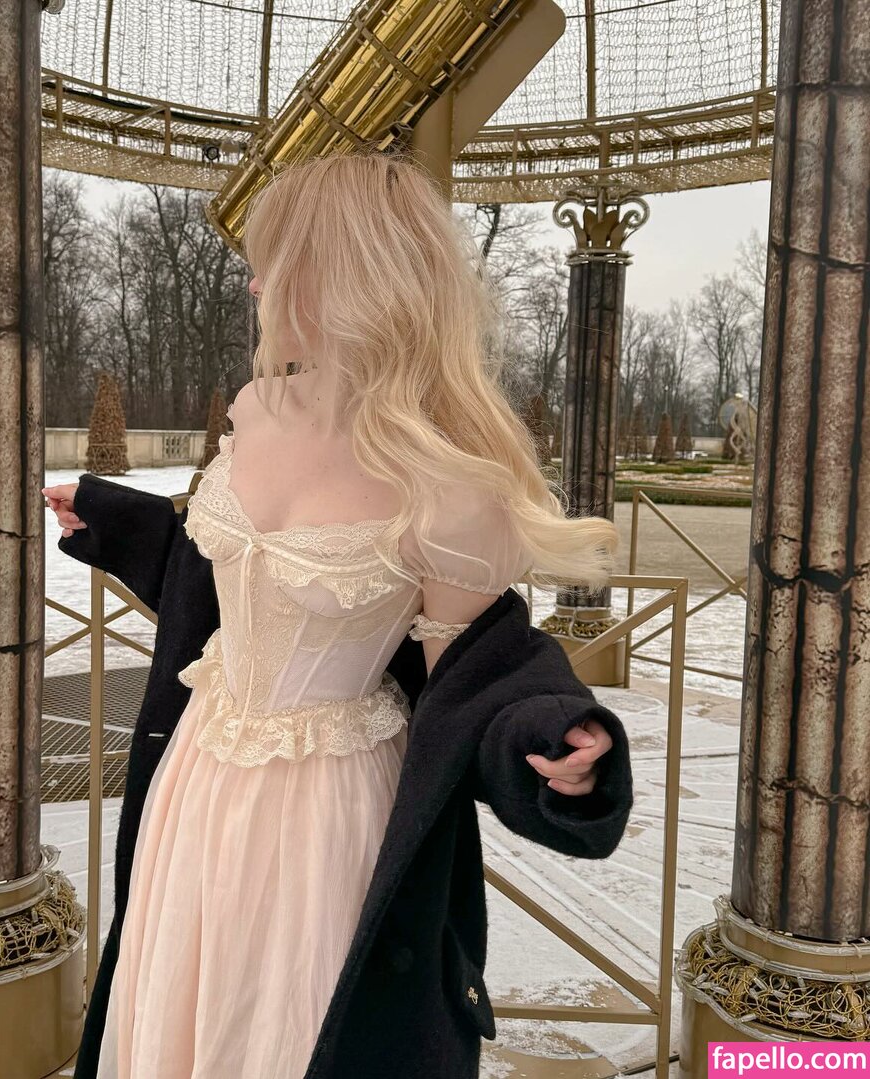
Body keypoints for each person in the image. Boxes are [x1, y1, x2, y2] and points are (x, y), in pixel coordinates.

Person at [43, 150, 626, 1079]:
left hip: (326, 815)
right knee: (179, 1012)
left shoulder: (450, 484)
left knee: (292, 1030)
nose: (255, 282)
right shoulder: (256, 408)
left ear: (341, 273)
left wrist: (555, 740)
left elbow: (477, 678)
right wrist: (117, 520)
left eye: (273, 261)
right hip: (196, 773)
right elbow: (226, 578)